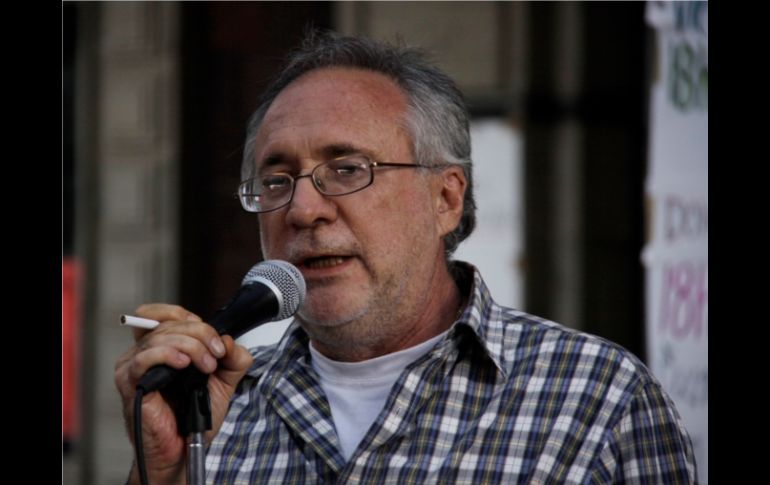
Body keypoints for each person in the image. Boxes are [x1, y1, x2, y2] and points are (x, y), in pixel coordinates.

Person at [114, 30, 697, 484]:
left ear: (446, 199)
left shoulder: (597, 396)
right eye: (276, 180)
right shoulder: (214, 411)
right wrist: (159, 475)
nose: (303, 209)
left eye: (348, 169)